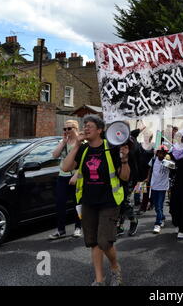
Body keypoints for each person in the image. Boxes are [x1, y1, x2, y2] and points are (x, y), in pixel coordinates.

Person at [62, 114, 130, 286]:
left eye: (90, 125)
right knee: (93, 242)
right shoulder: (84, 149)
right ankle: (99, 279)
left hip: (109, 201)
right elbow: (66, 167)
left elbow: (125, 177)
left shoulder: (112, 148)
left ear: (100, 130)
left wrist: (124, 159)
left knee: (104, 242)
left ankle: (115, 267)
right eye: (84, 125)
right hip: (88, 202)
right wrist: (77, 145)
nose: (86, 128)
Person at [49, 120, 82, 240]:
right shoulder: (64, 141)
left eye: (69, 128)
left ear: (76, 129)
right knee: (60, 203)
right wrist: (63, 142)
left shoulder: (81, 142)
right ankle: (61, 230)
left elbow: (83, 162)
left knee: (77, 203)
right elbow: (55, 155)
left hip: (76, 175)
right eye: (65, 129)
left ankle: (78, 227)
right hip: (63, 175)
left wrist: (76, 175)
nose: (66, 131)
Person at [147, 145, 171, 234]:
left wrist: (169, 161)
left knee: (159, 206)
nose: (161, 155)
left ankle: (158, 224)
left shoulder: (167, 162)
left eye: (163, 153)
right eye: (160, 153)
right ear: (157, 153)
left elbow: (173, 168)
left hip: (163, 187)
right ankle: (162, 217)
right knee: (156, 207)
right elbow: (150, 170)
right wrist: (148, 179)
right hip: (154, 186)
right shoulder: (153, 160)